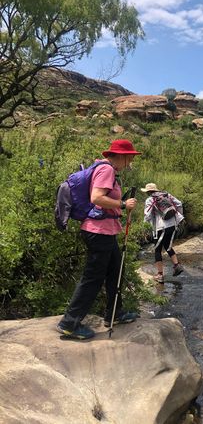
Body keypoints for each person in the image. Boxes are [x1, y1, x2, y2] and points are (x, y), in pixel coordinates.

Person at [57, 139, 141, 339]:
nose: (130, 161)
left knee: (115, 272)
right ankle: (70, 323)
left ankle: (115, 313)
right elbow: (96, 198)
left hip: (105, 231)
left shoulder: (104, 168)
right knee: (93, 277)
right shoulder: (107, 170)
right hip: (98, 232)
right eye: (129, 157)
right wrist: (122, 204)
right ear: (120, 155)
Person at [142, 183, 184, 283]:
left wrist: (145, 226)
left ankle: (160, 275)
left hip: (160, 227)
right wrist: (178, 217)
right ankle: (177, 265)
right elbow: (179, 204)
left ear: (148, 192)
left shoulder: (150, 199)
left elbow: (147, 215)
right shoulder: (167, 195)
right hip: (172, 225)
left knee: (157, 250)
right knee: (167, 245)